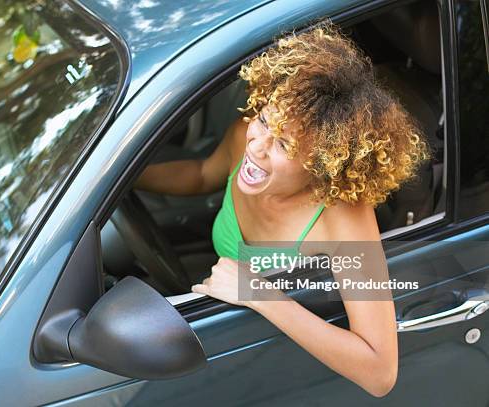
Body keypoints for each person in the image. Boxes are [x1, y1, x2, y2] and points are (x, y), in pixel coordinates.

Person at [134, 21, 430, 397]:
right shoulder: (246, 137)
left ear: (323, 165)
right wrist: (128, 174)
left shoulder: (342, 217)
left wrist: (260, 294)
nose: (258, 145)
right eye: (264, 119)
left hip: (284, 371)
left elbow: (379, 372)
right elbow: (200, 173)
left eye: (285, 145)